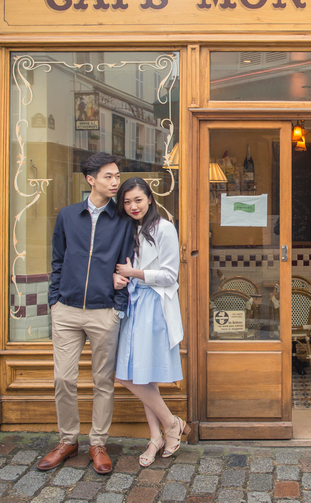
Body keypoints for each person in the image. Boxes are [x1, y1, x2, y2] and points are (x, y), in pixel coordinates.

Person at [37, 153, 134, 475]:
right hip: (66, 310)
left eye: (117, 176)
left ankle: (98, 443)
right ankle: (67, 440)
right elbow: (58, 260)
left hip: (103, 311)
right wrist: (55, 301)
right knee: (63, 378)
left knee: (102, 381)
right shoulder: (67, 216)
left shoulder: (122, 220)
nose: (115, 182)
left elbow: (125, 265)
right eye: (109, 176)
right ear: (91, 179)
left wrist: (117, 307)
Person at [112, 177, 189, 467]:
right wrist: (120, 277)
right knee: (136, 374)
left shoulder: (164, 229)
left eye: (138, 200)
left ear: (150, 199)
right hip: (132, 304)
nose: (133, 206)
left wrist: (135, 274)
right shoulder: (129, 229)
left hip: (154, 305)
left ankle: (170, 426)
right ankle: (158, 434)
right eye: (127, 201)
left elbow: (171, 275)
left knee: (133, 375)